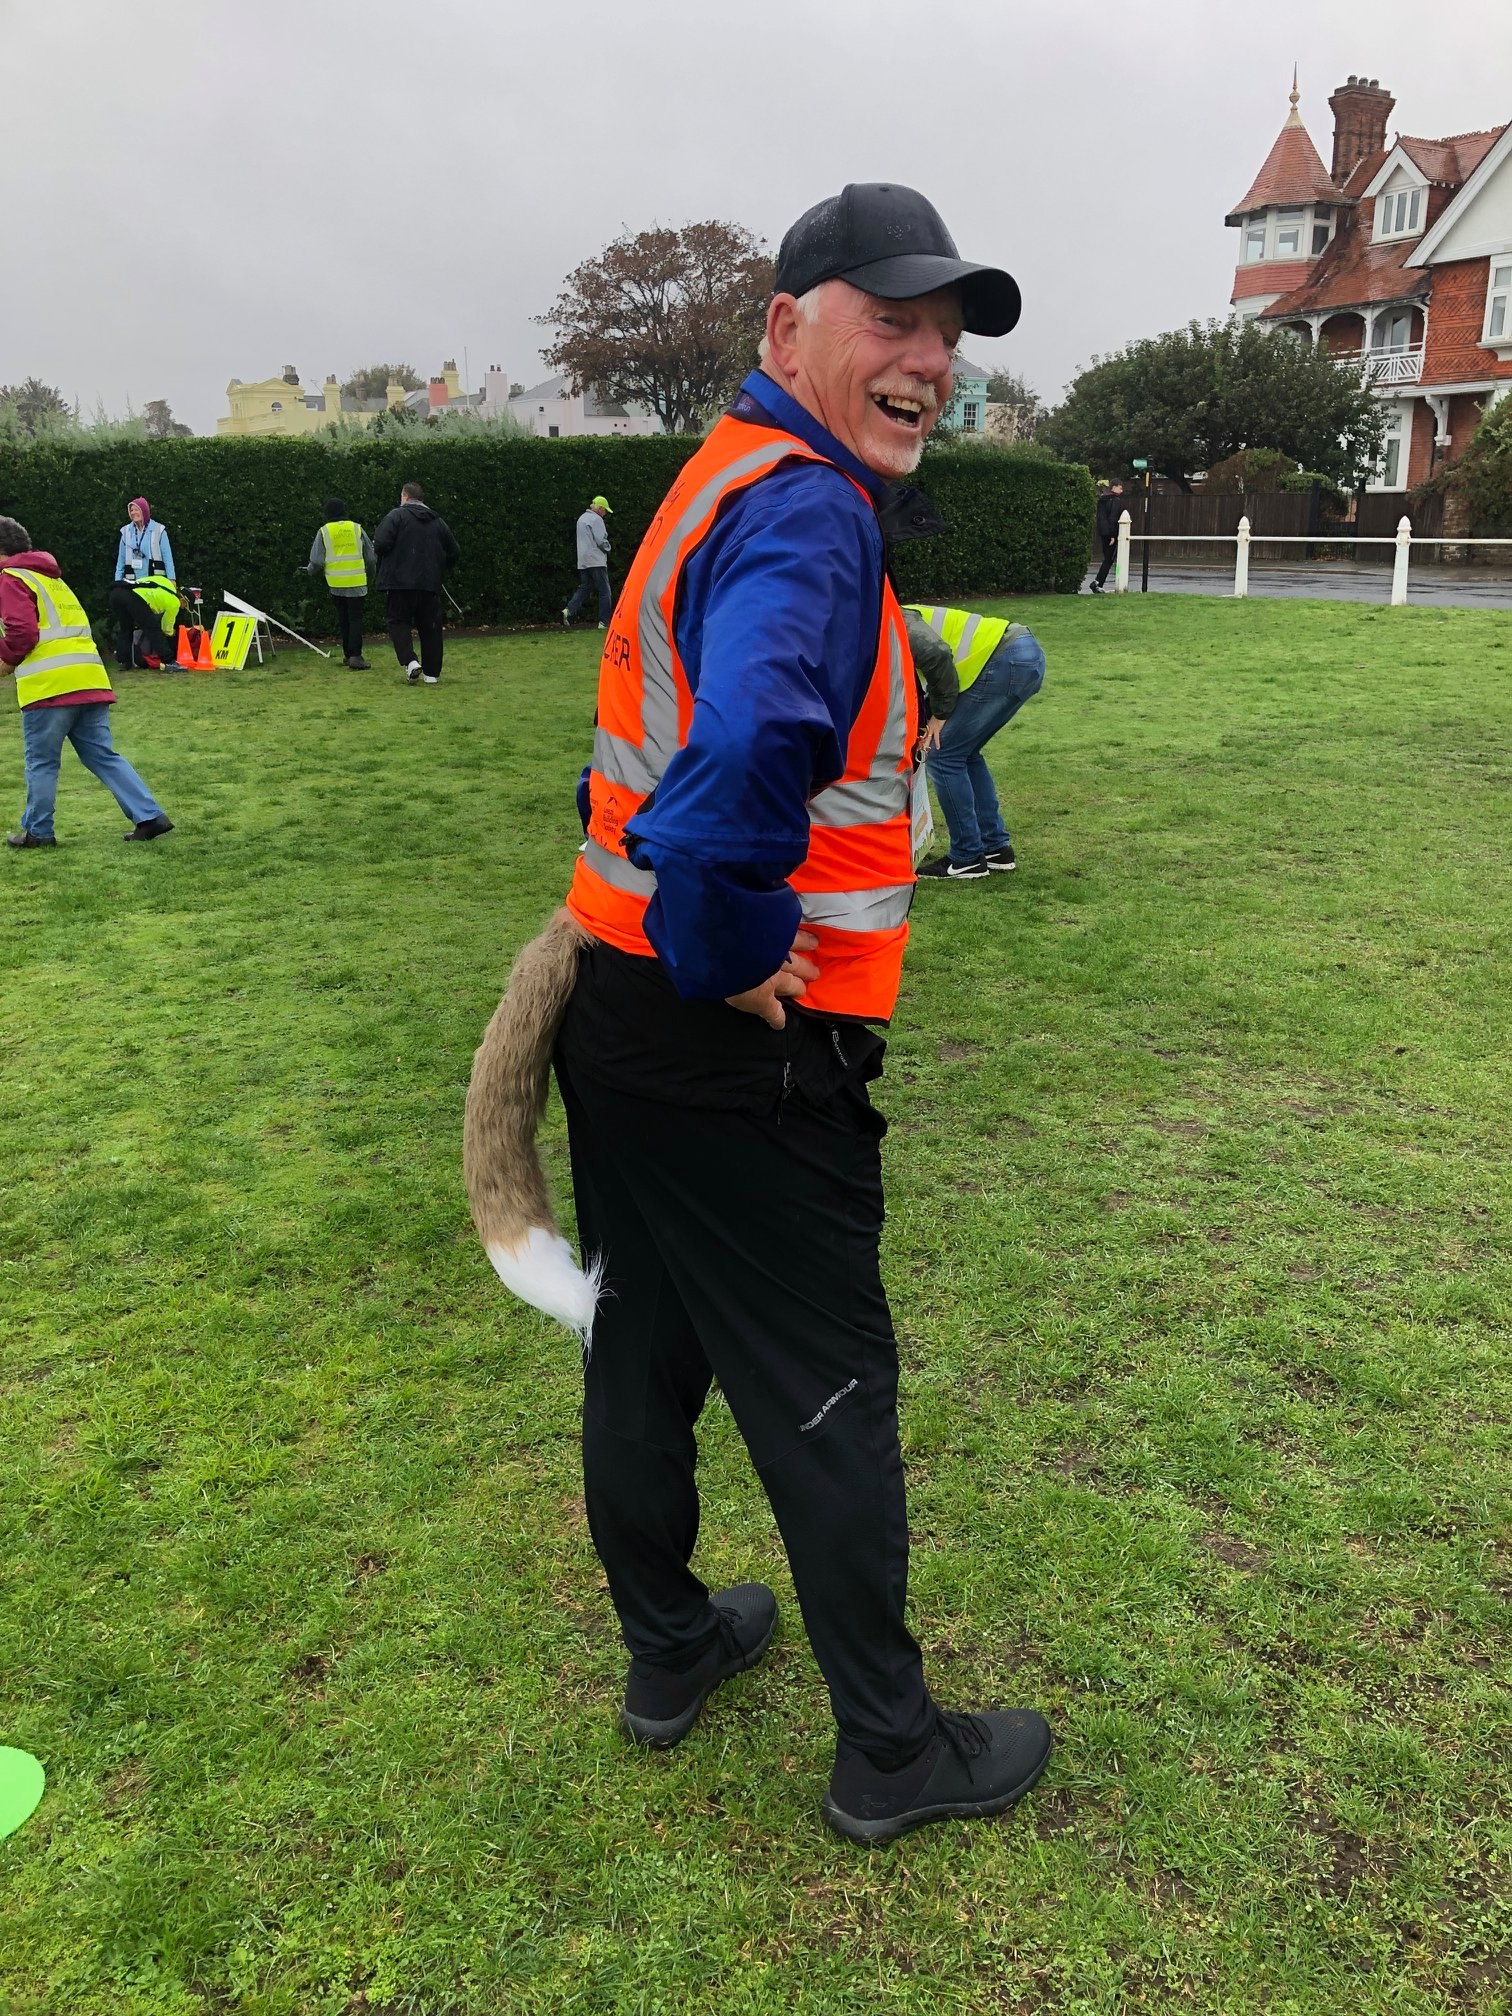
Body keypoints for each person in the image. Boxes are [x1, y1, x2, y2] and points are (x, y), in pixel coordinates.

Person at [463, 183, 1053, 1846]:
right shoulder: (804, 510)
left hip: (617, 1017)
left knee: (647, 1343)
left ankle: (671, 1647)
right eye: (894, 318)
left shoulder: (730, 473)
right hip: (728, 1042)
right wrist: (726, 944)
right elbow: (734, 773)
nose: (928, 356)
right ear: (786, 327)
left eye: (948, 332)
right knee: (824, 1382)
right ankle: (892, 1750)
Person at [0, 517, 172, 847]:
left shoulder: (11, 579)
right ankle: (149, 816)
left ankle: (38, 831)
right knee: (102, 755)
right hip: (89, 678)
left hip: (49, 685)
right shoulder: (51, 579)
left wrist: (6, 658)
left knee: (42, 761)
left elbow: (21, 634)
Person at [905, 604, 1046, 880]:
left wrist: (940, 715)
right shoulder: (892, 616)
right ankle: (995, 848)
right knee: (964, 753)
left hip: (1007, 659)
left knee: (943, 755)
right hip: (1021, 654)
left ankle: (967, 856)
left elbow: (937, 654)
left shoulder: (891, 620)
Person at [372, 481, 458, 685]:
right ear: (421, 499)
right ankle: (432, 674)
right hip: (429, 583)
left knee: (398, 621)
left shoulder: (396, 516)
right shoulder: (438, 521)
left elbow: (381, 543)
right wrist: (438, 566)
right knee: (430, 627)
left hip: (400, 582)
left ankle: (410, 661)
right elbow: (454, 551)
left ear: (404, 497)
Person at [304, 497, 376, 668]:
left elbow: (316, 561)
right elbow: (371, 557)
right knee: (355, 619)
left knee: (344, 619)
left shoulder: (324, 531)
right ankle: (356, 656)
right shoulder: (356, 528)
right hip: (357, 582)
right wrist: (370, 576)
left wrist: (309, 571)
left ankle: (347, 654)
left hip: (336, 583)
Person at [112, 497, 176, 664]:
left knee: (153, 622)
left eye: (136, 510)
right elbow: (120, 560)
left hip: (153, 585)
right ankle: (126, 660)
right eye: (131, 510)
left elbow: (168, 558)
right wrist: (117, 582)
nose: (133, 513)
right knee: (127, 623)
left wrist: (172, 579)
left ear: (145, 511)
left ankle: (155, 655)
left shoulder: (159, 530)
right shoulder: (125, 531)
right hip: (132, 583)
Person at [106, 575, 189, 670]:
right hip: (135, 597)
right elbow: (166, 627)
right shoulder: (175, 603)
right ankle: (169, 662)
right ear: (183, 599)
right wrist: (172, 633)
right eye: (185, 605)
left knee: (126, 628)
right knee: (153, 629)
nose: (183, 607)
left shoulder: (165, 581)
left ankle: (124, 661)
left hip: (117, 593)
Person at [562, 495, 613, 629]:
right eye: (605, 511)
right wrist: (608, 548)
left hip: (583, 560)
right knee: (604, 591)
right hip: (596, 560)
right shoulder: (597, 520)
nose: (605, 513)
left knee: (585, 587)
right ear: (600, 509)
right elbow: (601, 540)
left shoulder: (582, 518)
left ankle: (569, 609)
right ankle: (604, 622)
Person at [1089, 479, 1126, 592]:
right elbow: (1113, 518)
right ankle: (1097, 583)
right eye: (1120, 488)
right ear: (1114, 487)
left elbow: (1101, 518)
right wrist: (1113, 535)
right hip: (1111, 534)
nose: (1121, 490)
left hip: (1103, 533)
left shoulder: (1102, 500)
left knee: (1107, 558)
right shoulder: (1115, 500)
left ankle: (1098, 582)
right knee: (1109, 559)